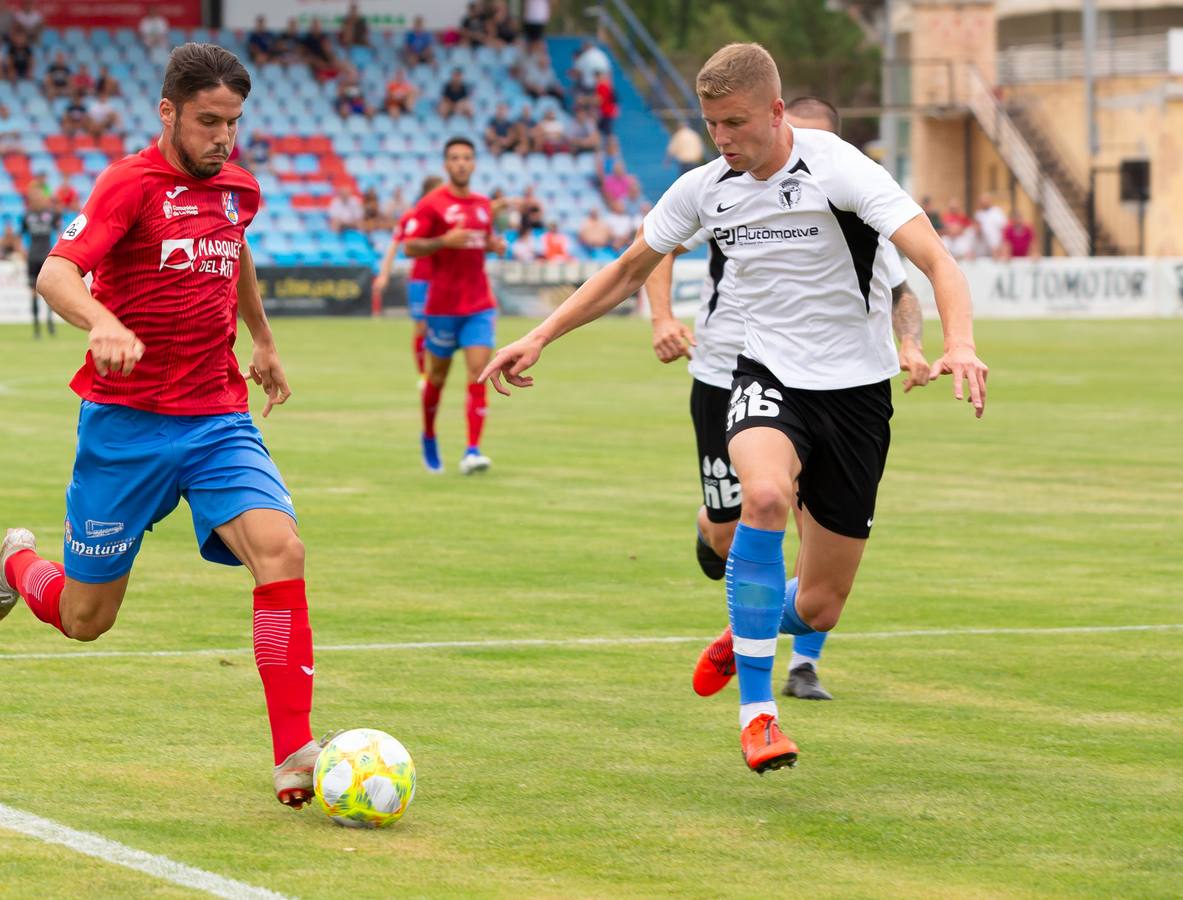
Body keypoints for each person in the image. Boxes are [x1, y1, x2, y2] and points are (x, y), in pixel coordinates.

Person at [480, 43, 987, 774]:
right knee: (765, 493)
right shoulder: (704, 186)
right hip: (764, 373)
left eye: (736, 123)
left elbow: (935, 262)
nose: (722, 139)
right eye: (711, 123)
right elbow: (628, 270)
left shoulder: (839, 168)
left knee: (818, 606)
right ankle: (758, 716)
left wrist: (959, 343)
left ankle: (743, 628)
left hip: (853, 394)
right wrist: (538, 335)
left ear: (776, 112)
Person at [0, 43, 324, 810]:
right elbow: (55, 273)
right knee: (84, 619)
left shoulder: (238, 187)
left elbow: (234, 253)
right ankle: (17, 564)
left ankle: (293, 752)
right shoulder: (127, 185)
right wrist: (100, 321)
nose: (222, 138)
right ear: (168, 112)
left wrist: (261, 340)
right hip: (125, 427)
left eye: (233, 122)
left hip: (215, 417)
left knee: (281, 549)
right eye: (207, 122)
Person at [642, 95, 935, 704]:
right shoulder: (729, 191)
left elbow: (905, 288)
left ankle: (798, 662)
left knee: (804, 537)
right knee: (730, 530)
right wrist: (662, 316)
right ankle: (723, 558)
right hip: (725, 369)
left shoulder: (854, 199)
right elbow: (652, 249)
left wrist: (912, 346)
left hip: (829, 389)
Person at [404, 139, 504, 475]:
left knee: (479, 374)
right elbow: (411, 247)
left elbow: (483, 242)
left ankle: (472, 451)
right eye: (454, 158)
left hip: (479, 305)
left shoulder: (482, 206)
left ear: (474, 164)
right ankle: (429, 435)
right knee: (437, 378)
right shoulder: (432, 205)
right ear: (446, 165)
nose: (461, 163)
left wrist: (494, 244)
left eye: (466, 158)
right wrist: (443, 242)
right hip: (443, 307)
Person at [373, 175, 444, 375]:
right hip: (420, 279)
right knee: (421, 327)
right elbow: (394, 246)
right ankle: (423, 375)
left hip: (442, 279)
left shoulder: (447, 217)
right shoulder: (412, 216)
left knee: (440, 328)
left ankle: (435, 372)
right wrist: (384, 275)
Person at [20, 191, 60, 338]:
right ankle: (36, 328)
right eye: (34, 198)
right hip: (32, 257)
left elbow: (60, 232)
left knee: (49, 291)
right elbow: (21, 234)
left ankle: (50, 322)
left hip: (47, 257)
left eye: (40, 197)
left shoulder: (51, 214)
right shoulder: (26, 216)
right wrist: (22, 250)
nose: (37, 200)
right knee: (33, 292)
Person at [972, 193, 1006, 259]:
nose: (984, 202)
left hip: (997, 245)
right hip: (983, 247)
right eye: (982, 201)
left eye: (985, 200)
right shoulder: (978, 214)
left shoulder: (997, 211)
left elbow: (1004, 228)